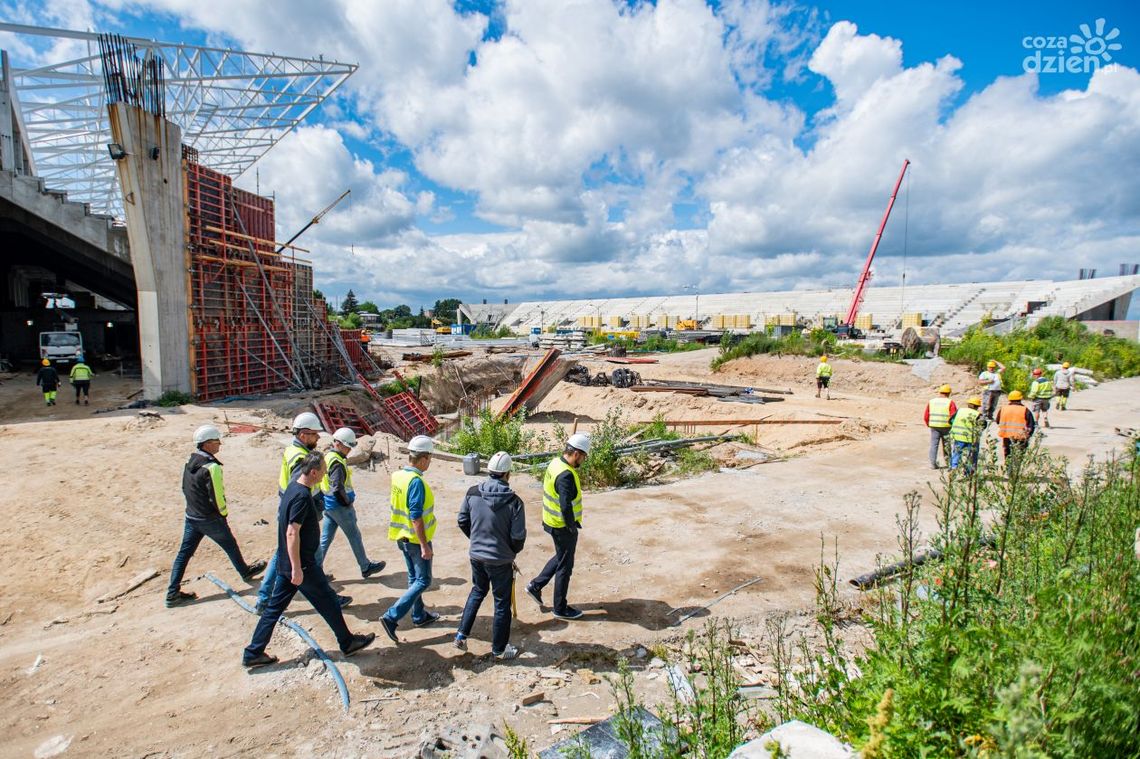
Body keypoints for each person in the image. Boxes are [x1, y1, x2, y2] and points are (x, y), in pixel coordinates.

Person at [242, 452, 375, 667]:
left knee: (276, 609)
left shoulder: (292, 487)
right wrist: (297, 568)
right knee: (329, 601)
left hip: (290, 563)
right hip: (302, 565)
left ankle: (253, 651)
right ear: (313, 472)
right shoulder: (302, 497)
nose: (324, 475)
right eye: (322, 471)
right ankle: (348, 642)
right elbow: (292, 532)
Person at [256, 412, 350, 613]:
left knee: (284, 554)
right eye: (315, 435)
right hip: (300, 514)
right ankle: (329, 598)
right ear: (304, 435)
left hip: (290, 509)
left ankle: (264, 598)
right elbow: (300, 490)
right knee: (312, 558)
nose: (317, 439)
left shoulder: (291, 450)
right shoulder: (301, 458)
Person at [166, 425, 266, 607]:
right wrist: (223, 514)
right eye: (216, 442)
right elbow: (217, 495)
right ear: (207, 444)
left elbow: (184, 488)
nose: (219, 445)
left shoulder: (190, 463)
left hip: (192, 516)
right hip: (209, 518)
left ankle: (172, 593)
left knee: (184, 554)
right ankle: (245, 571)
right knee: (230, 544)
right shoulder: (212, 468)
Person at [455, 451, 527, 660]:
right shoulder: (514, 501)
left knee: (477, 590)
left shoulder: (472, 493)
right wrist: (511, 552)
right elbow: (518, 536)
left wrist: (475, 539)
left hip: (476, 556)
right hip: (501, 560)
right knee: (501, 603)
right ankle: (499, 649)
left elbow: (462, 520)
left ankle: (461, 635)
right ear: (507, 474)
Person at [379, 435, 441, 643]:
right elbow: (416, 515)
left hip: (402, 537)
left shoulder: (398, 476)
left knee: (414, 578)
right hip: (415, 540)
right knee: (423, 580)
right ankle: (391, 616)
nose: (430, 462)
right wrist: (424, 544)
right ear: (423, 459)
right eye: (430, 458)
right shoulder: (416, 482)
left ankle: (419, 615)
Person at [526, 432, 590, 620]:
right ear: (577, 453)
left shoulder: (556, 463)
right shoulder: (566, 475)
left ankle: (535, 586)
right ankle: (560, 608)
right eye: (583, 457)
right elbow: (565, 505)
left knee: (562, 556)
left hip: (551, 521)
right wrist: (571, 526)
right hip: (562, 526)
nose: (583, 461)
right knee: (565, 566)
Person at [315, 427, 385, 579]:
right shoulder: (337, 462)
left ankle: (315, 571)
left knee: (325, 539)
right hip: (339, 506)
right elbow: (337, 487)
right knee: (354, 536)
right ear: (338, 443)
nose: (349, 450)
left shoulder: (329, 457)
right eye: (347, 447)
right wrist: (346, 502)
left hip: (329, 505)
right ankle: (365, 566)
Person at [996, 390, 1036, 464]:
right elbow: (1031, 425)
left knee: (1008, 454)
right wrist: (1028, 436)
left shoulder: (1003, 409)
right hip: (1021, 437)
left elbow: (998, 421)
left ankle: (1008, 471)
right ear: (1020, 399)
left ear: (1009, 399)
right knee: (1019, 456)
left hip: (1007, 436)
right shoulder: (1025, 410)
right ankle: (1016, 471)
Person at [924, 385, 957, 470]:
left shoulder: (932, 401)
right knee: (947, 445)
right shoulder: (950, 402)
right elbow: (953, 416)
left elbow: (926, 415)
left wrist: (929, 424)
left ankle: (933, 464)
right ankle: (949, 463)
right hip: (946, 427)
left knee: (934, 445)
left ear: (939, 392)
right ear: (949, 393)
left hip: (934, 426)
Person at [948, 397, 984, 474]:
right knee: (972, 455)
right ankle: (969, 472)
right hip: (971, 439)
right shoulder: (977, 414)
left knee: (956, 453)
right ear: (976, 406)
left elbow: (950, 421)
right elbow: (982, 425)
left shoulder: (960, 411)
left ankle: (953, 467)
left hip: (958, 437)